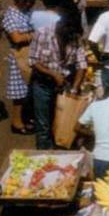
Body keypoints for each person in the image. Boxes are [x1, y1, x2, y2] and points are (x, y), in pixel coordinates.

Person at [29, 12, 87, 150]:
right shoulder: (42, 34)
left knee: (61, 121)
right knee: (43, 124)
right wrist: (53, 74)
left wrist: (74, 88)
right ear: (59, 26)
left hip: (63, 87)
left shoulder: (75, 38)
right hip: (42, 84)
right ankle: (43, 154)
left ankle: (59, 152)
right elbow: (33, 61)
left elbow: (82, 64)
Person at [1, 0, 36, 135]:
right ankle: (17, 122)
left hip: (29, 54)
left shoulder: (26, 12)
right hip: (18, 56)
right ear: (20, 1)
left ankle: (25, 118)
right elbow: (16, 38)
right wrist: (33, 35)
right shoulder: (11, 16)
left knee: (28, 90)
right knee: (19, 93)